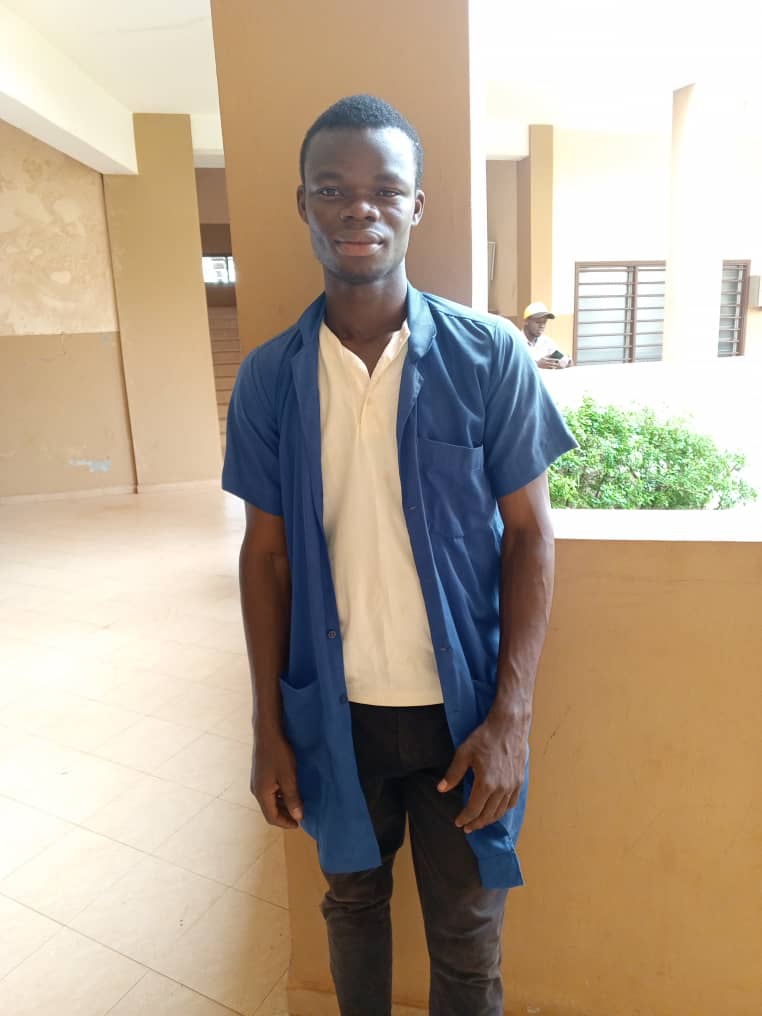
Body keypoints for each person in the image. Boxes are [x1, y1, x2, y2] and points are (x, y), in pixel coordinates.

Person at [223, 94, 576, 1016]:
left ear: (417, 204)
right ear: (304, 203)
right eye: (332, 189)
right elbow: (265, 558)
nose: (360, 209)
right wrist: (267, 726)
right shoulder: (269, 379)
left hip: (464, 715)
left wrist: (512, 717)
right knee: (352, 908)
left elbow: (532, 535)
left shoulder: (488, 356)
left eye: (385, 189)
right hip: (334, 713)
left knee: (467, 942)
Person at [522, 301, 572, 369]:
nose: (542, 326)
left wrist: (567, 363)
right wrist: (536, 365)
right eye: (538, 322)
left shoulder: (547, 342)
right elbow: (512, 368)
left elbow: (566, 362)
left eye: (544, 322)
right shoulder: (517, 342)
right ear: (526, 321)